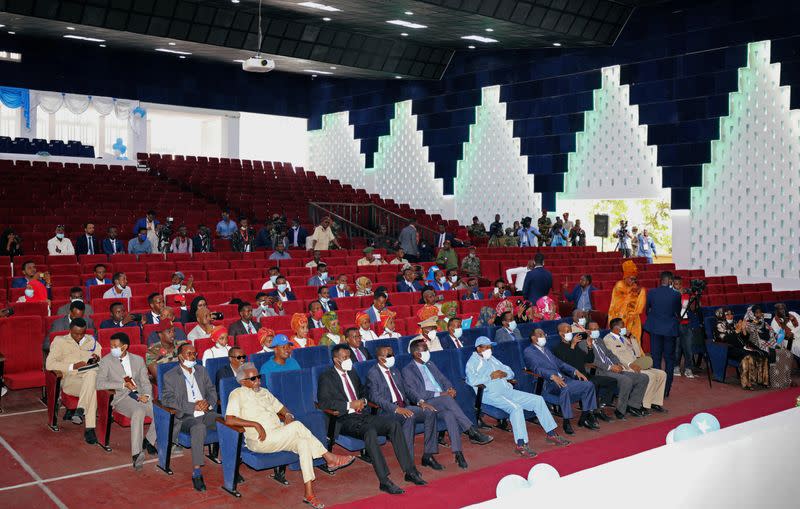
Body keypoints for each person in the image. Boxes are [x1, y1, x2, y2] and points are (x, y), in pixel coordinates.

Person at [226, 362, 354, 508]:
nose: (258, 381)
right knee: (297, 426)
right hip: (260, 440)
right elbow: (229, 419)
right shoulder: (237, 394)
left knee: (303, 443)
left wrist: (287, 414)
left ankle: (309, 493)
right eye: (253, 379)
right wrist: (255, 424)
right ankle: (329, 457)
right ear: (243, 382)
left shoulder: (264, 392)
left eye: (259, 377)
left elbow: (281, 408)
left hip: (278, 434)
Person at [317, 344, 426, 494]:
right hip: (344, 419)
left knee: (393, 424)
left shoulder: (352, 372)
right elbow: (324, 403)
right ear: (336, 360)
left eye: (349, 357)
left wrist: (364, 401)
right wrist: (349, 404)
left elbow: (364, 391)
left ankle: (410, 471)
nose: (349, 360)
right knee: (370, 432)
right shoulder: (326, 377)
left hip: (363, 415)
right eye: (345, 358)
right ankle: (384, 480)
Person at [466, 337, 568, 457]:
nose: (489, 349)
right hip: (491, 394)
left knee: (538, 400)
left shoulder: (492, 359)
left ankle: (551, 434)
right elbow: (471, 380)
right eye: (486, 347)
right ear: (478, 348)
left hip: (507, 391)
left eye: (490, 347)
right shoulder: (472, 362)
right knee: (516, 408)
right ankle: (521, 445)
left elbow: (510, 372)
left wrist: (504, 374)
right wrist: (490, 377)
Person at [366, 345, 441, 469]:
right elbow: (375, 397)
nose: (393, 357)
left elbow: (407, 389)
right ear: (380, 359)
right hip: (387, 411)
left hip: (405, 407)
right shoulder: (373, 373)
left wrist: (420, 401)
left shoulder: (394, 369)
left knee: (429, 411)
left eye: (393, 354)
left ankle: (428, 455)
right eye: (389, 356)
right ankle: (409, 465)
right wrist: (396, 409)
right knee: (409, 417)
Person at [160, 343, 220, 491]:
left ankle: (235, 465)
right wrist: (193, 406)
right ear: (180, 356)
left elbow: (212, 391)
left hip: (206, 412)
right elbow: (167, 400)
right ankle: (197, 473)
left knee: (226, 422)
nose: (193, 356)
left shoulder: (202, 371)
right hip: (186, 416)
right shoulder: (170, 376)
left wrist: (208, 403)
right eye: (189, 354)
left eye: (194, 353)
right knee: (198, 428)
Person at [96, 332, 158, 469]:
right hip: (122, 397)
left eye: (115, 346)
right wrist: (122, 385)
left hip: (140, 395)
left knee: (160, 412)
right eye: (111, 346)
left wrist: (147, 395)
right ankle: (137, 454)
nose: (112, 349)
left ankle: (148, 440)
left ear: (124, 347)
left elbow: (145, 382)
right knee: (138, 411)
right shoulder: (106, 361)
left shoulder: (138, 360)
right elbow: (99, 384)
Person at [524, 326, 598, 435]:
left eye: (544, 334)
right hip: (548, 382)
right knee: (565, 388)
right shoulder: (529, 351)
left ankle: (584, 418)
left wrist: (575, 371)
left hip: (563, 379)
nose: (544, 337)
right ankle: (566, 422)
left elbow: (560, 363)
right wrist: (552, 376)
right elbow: (536, 368)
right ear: (534, 338)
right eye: (541, 335)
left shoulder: (546, 350)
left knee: (589, 385)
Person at [45, 318, 99, 444]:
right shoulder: (60, 341)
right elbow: (49, 364)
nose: (79, 337)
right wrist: (73, 366)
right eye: (76, 333)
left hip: (89, 377)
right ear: (70, 330)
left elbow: (101, 357)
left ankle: (81, 411)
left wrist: (97, 358)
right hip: (71, 380)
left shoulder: (91, 340)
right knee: (94, 387)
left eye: (82, 333)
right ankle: (89, 428)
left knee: (92, 376)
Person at [553, 325, 616, 422]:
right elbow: (565, 364)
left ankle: (599, 406)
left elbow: (589, 359)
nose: (570, 333)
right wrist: (572, 345)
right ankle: (593, 411)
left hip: (585, 375)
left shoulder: (576, 346)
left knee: (612, 381)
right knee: (593, 384)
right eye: (567, 331)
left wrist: (589, 346)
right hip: (572, 377)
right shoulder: (558, 348)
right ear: (561, 334)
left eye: (570, 330)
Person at [603, 318, 666, 413]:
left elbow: (637, 353)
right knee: (651, 376)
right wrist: (630, 364)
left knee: (662, 374)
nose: (625, 328)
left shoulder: (624, 338)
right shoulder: (608, 339)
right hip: (626, 367)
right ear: (616, 328)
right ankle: (643, 404)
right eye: (623, 326)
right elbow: (615, 356)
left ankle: (654, 402)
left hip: (636, 364)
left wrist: (632, 338)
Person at [643, 271, 681, 396]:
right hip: (669, 330)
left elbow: (647, 310)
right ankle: (666, 390)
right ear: (670, 281)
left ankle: (656, 388)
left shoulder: (652, 292)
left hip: (655, 329)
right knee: (669, 359)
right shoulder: (675, 295)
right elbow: (677, 312)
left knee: (656, 358)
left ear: (660, 280)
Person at [713, 307, 768, 390]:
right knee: (747, 355)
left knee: (761, 353)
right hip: (728, 348)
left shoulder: (735, 323)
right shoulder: (719, 325)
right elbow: (724, 339)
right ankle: (747, 383)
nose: (730, 316)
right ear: (722, 316)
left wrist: (744, 330)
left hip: (742, 345)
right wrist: (737, 331)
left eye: (731, 314)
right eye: (727, 314)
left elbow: (744, 338)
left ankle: (762, 380)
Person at [744, 305, 792, 388]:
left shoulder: (764, 323)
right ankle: (775, 381)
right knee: (776, 354)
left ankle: (785, 379)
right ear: (752, 314)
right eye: (756, 313)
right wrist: (755, 322)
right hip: (758, 345)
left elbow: (773, 333)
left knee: (786, 354)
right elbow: (751, 337)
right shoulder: (748, 324)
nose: (759, 314)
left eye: (760, 312)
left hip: (769, 344)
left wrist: (779, 338)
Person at [608, 260, 646, 349]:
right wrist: (633, 292)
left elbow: (639, 306)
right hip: (620, 318)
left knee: (635, 341)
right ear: (625, 277)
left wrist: (640, 293)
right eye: (631, 278)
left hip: (633, 319)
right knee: (620, 342)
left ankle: (636, 358)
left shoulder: (637, 288)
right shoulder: (619, 285)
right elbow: (621, 301)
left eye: (634, 279)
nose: (633, 281)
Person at [672, 276, 699, 379]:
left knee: (688, 348)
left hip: (687, 324)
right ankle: (676, 367)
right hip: (676, 324)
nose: (678, 286)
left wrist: (693, 299)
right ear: (673, 284)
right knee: (677, 348)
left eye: (679, 284)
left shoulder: (687, 294)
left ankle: (688, 368)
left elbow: (693, 309)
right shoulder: (671, 295)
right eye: (676, 284)